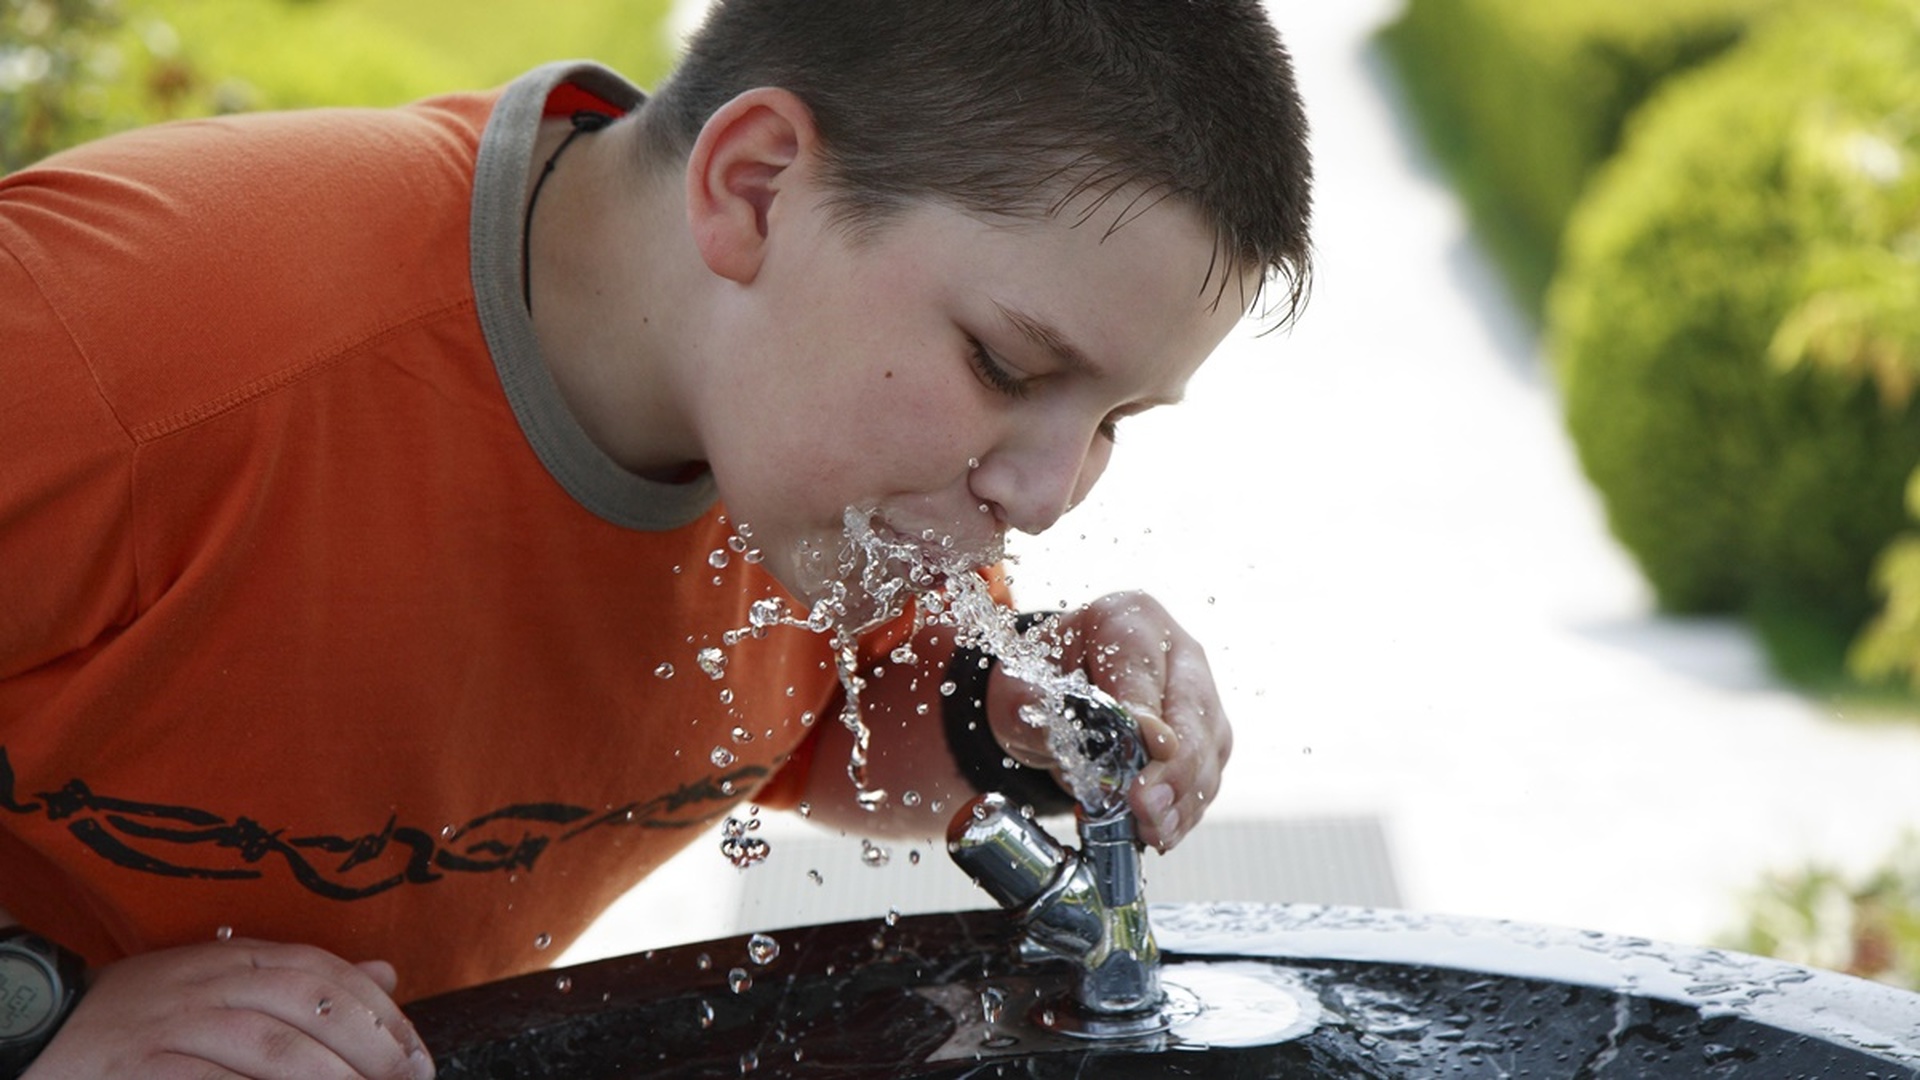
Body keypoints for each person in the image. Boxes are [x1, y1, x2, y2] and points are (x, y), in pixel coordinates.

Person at [0, 0, 1313, 1075]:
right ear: (754, 187)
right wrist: (40, 1011)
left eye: (1118, 421)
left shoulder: (818, 454)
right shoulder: (119, 348)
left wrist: (1015, 701)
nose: (1045, 492)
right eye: (1009, 365)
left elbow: (804, 725)